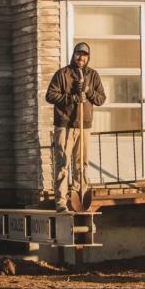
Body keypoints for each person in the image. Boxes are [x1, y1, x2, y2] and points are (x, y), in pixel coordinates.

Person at [45, 42, 106, 212]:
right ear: (73, 55)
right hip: (65, 125)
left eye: (84, 55)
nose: (81, 58)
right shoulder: (62, 74)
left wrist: (87, 91)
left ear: (88, 57)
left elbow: (101, 99)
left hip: (84, 126)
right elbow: (50, 95)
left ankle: (79, 194)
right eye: (78, 54)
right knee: (63, 163)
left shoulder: (93, 75)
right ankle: (61, 202)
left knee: (81, 163)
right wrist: (71, 98)